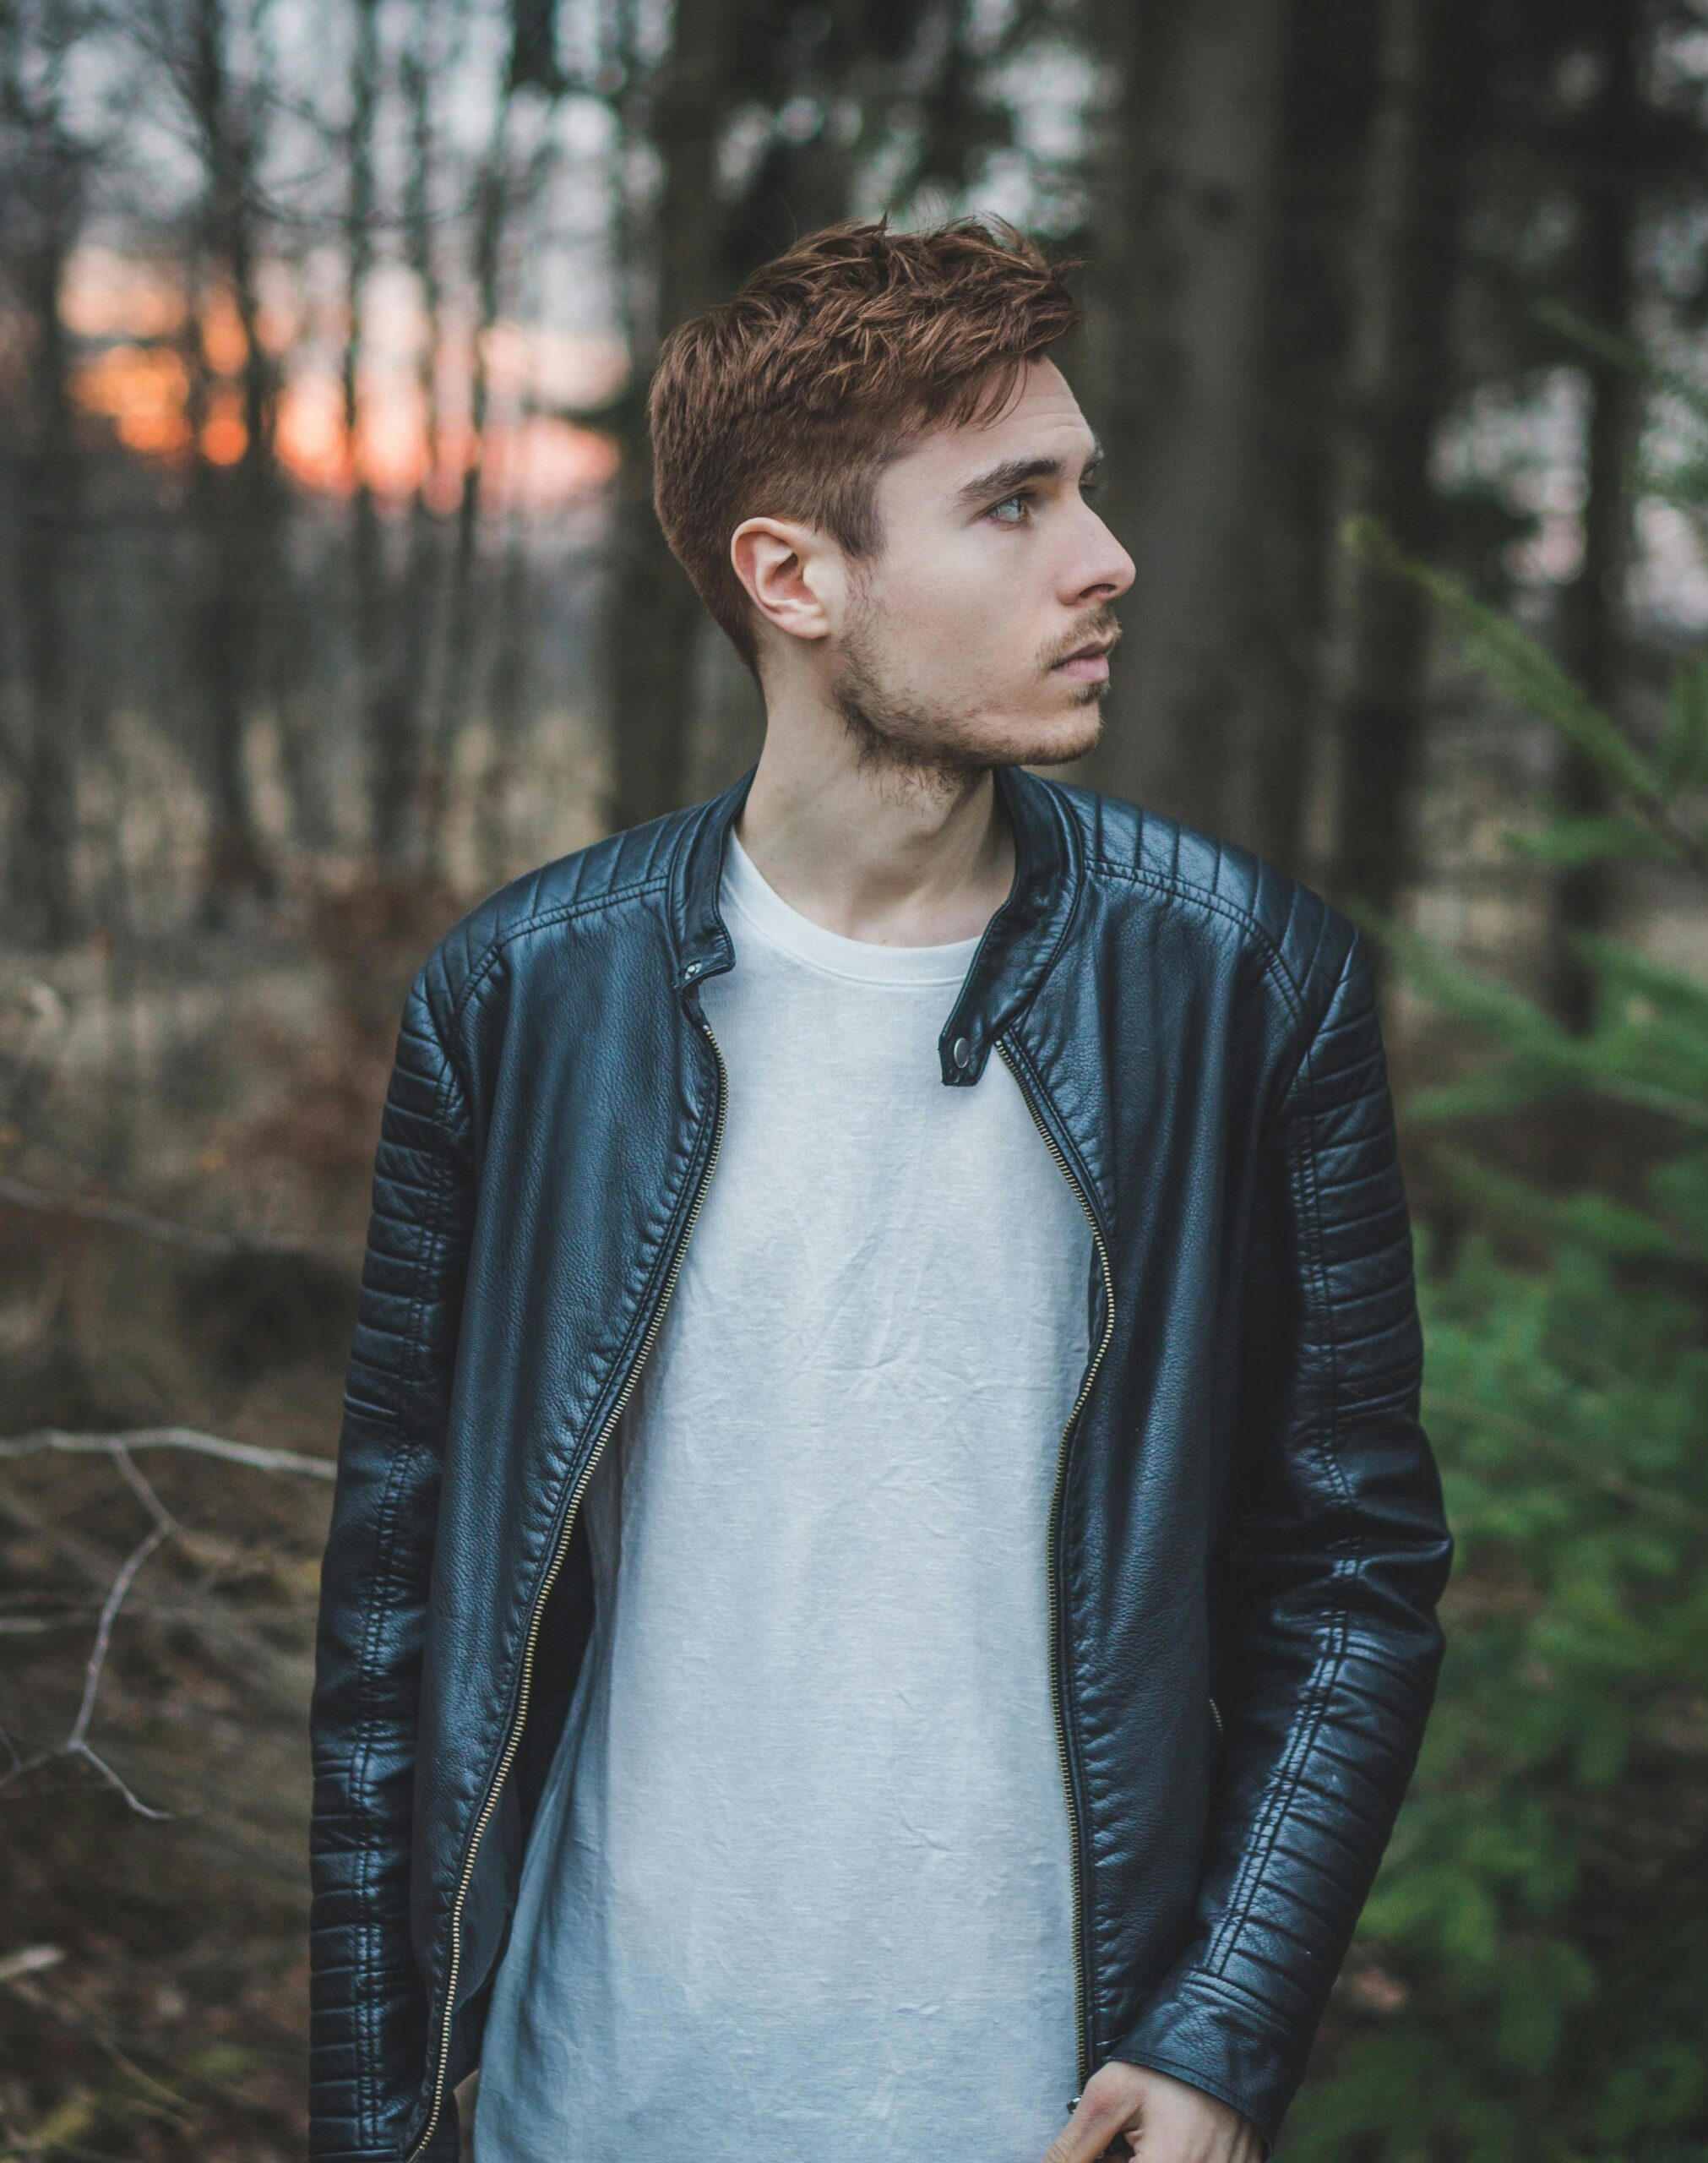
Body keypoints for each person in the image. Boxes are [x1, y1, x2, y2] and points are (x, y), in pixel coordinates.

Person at [307, 214, 1454, 2163]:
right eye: (1013, 504)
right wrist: (365, 2110)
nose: (1107, 559)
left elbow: (1348, 1569)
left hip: (1052, 2106)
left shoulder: (1246, 981)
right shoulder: (521, 999)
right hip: (599, 2096)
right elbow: (397, 1606)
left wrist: (1225, 2026)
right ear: (793, 576)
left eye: (1084, 488)